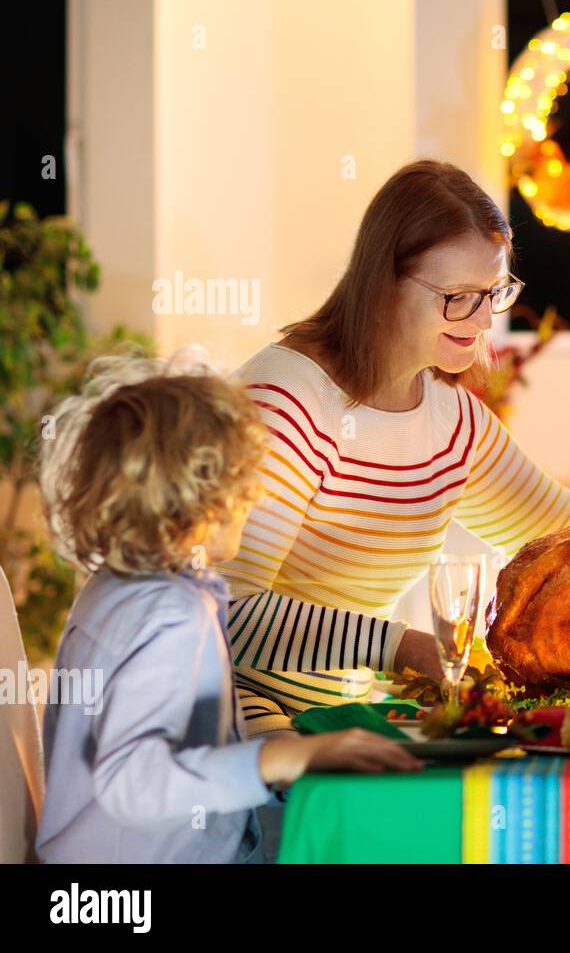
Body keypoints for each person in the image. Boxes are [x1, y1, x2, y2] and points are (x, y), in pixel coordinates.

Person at [219, 160, 570, 734]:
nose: (480, 322)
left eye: (492, 293)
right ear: (384, 281)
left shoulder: (450, 420)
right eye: (456, 296)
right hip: (242, 718)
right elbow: (227, 613)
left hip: (340, 719)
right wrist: (404, 647)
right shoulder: (288, 399)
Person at [36, 357, 420, 863]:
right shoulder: (172, 614)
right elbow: (133, 782)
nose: (256, 493)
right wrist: (291, 754)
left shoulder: (114, 587)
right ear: (201, 497)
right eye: (245, 477)